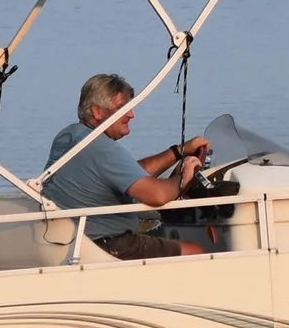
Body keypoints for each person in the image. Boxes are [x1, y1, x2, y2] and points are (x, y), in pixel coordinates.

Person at [44, 73, 213, 260]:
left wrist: (178, 152)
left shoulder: (70, 136)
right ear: (98, 111)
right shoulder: (101, 148)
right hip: (105, 242)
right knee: (195, 251)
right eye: (123, 108)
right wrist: (185, 176)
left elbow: (131, 173)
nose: (131, 115)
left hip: (71, 240)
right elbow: (158, 195)